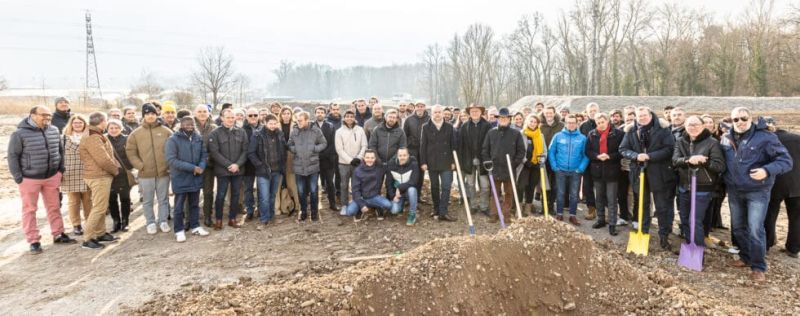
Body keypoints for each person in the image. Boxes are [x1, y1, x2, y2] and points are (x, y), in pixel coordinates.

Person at [721, 107, 793, 281]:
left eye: (743, 118)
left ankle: (758, 266)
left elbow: (785, 161)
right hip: (735, 191)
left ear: (750, 118)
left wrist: (767, 170)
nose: (740, 122)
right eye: (736, 119)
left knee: (755, 229)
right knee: (738, 228)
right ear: (732, 121)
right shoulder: (725, 138)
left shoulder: (766, 137)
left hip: (757, 191)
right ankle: (746, 257)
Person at [8, 106, 76, 254]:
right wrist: (18, 177)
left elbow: (60, 150)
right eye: (43, 115)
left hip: (52, 176)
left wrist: (60, 169)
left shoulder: (53, 130)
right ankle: (33, 241)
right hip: (29, 179)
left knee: (54, 206)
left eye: (49, 116)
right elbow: (13, 156)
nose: (47, 118)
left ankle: (58, 234)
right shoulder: (19, 134)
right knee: (30, 210)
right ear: (32, 115)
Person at [620, 106, 677, 251]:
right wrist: (635, 156)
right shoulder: (631, 130)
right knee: (642, 205)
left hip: (659, 173)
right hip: (639, 172)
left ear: (650, 115)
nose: (642, 118)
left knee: (661, 206)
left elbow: (669, 148)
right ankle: (643, 232)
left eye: (645, 115)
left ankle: (664, 236)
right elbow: (623, 149)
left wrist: (650, 156)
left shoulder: (663, 129)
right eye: (639, 116)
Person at [672, 115, 726, 248]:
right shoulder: (680, 141)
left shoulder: (712, 143)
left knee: (694, 221)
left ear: (702, 126)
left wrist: (705, 161)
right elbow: (674, 161)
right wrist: (688, 160)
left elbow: (719, 166)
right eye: (690, 125)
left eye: (696, 124)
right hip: (685, 187)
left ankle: (698, 250)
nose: (693, 127)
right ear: (685, 126)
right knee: (684, 219)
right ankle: (689, 245)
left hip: (703, 188)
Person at [127, 103, 174, 234]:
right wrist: (140, 166)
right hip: (145, 173)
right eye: (147, 114)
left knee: (163, 199)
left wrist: (168, 165)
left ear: (157, 115)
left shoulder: (166, 131)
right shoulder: (136, 134)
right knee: (147, 200)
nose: (150, 116)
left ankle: (163, 221)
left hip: (163, 172)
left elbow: (173, 150)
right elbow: (131, 152)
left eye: (153, 114)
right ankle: (150, 222)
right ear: (143, 116)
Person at [79, 112, 121, 249]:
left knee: (100, 206)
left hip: (99, 175)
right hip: (98, 176)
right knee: (99, 207)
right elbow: (103, 159)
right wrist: (115, 170)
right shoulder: (92, 137)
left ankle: (100, 233)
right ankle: (88, 238)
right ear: (102, 121)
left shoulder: (94, 133)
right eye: (106, 121)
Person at [166, 116, 211, 242]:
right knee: (179, 206)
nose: (189, 126)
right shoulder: (173, 139)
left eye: (191, 124)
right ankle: (179, 230)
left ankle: (195, 226)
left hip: (196, 176)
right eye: (186, 124)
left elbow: (204, 154)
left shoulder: (198, 138)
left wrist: (201, 166)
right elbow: (171, 160)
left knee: (194, 204)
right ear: (181, 125)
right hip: (180, 177)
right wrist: (193, 168)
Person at [763, 117, 800, 259]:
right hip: (797, 184)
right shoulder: (796, 138)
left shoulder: (766, 141)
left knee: (769, 214)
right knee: (796, 217)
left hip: (775, 183)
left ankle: (767, 244)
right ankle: (793, 248)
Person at [482, 108, 525, 223]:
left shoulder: (516, 134)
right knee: (494, 193)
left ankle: (506, 215)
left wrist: (514, 163)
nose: (503, 119)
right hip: (494, 168)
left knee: (509, 193)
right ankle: (494, 214)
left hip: (509, 168)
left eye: (505, 118)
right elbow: (485, 150)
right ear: (498, 119)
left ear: (509, 119)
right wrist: (487, 162)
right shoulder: (491, 133)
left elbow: (521, 151)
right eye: (501, 118)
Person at [208, 108, 249, 229]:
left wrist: (237, 165)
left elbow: (245, 151)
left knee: (236, 195)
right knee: (221, 195)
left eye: (232, 117)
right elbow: (214, 152)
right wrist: (228, 165)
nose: (230, 119)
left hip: (238, 169)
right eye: (228, 117)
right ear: (222, 118)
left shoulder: (241, 132)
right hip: (222, 171)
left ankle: (232, 219)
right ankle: (219, 220)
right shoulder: (215, 133)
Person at [585, 113, 624, 234]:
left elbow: (621, 151)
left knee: (612, 199)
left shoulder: (618, 134)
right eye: (598, 123)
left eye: (602, 122)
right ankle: (600, 219)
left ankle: (612, 223)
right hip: (597, 169)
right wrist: (597, 156)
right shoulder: (592, 134)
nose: (600, 125)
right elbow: (588, 151)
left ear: (607, 121)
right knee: (599, 197)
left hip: (612, 170)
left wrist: (609, 156)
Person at [548, 114, 589, 226]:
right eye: (568, 122)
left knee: (574, 194)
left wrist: (581, 168)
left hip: (575, 171)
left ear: (577, 124)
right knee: (560, 193)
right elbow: (551, 151)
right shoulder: (558, 136)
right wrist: (554, 166)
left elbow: (586, 155)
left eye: (573, 123)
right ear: (565, 123)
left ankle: (572, 215)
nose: (571, 125)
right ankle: (559, 213)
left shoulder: (582, 138)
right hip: (560, 170)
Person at [248, 114, 287, 228]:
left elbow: (283, 149)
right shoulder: (258, 135)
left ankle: (271, 217)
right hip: (263, 171)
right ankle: (264, 219)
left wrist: (282, 164)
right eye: (270, 123)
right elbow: (251, 152)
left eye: (275, 123)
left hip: (277, 170)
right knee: (264, 197)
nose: (273, 126)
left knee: (272, 196)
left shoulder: (280, 134)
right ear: (265, 123)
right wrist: (259, 165)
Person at [420, 105, 457, 222]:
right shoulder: (426, 127)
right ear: (431, 114)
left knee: (446, 186)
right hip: (432, 162)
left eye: (439, 112)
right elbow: (423, 146)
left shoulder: (449, 127)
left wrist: (453, 162)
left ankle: (443, 211)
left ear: (443, 113)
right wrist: (423, 162)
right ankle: (436, 209)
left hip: (446, 162)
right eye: (435, 112)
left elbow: (453, 145)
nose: (437, 114)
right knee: (434, 187)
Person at [288, 111, 327, 222]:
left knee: (314, 190)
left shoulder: (315, 130)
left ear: (307, 120)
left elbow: (324, 143)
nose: (298, 122)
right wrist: (295, 150)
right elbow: (289, 144)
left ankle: (314, 212)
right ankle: (303, 211)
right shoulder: (294, 131)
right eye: (297, 121)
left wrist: (314, 149)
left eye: (300, 120)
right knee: (301, 191)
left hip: (313, 166)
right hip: (299, 166)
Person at [60, 115, 92, 236]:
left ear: (84, 124)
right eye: (75, 123)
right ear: (71, 124)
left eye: (80, 122)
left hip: (87, 172)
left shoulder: (89, 137)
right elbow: (59, 156)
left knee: (88, 200)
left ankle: (90, 222)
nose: (78, 124)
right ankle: (76, 225)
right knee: (73, 202)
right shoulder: (63, 138)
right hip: (70, 173)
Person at [459, 104, 492, 215]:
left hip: (483, 160)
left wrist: (487, 158)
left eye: (476, 111)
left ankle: (484, 206)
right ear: (469, 113)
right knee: (471, 184)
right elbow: (461, 145)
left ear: (481, 112)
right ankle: (473, 205)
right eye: (472, 111)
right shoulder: (464, 126)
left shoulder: (487, 126)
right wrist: (462, 160)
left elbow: (489, 144)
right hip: (468, 160)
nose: (474, 113)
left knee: (485, 185)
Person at [369, 109, 407, 200]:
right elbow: (372, 145)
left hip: (393, 164)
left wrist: (393, 160)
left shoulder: (400, 132)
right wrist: (377, 160)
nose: (392, 119)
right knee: (376, 185)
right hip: (379, 163)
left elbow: (402, 148)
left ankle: (390, 204)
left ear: (396, 119)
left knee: (390, 186)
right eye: (390, 117)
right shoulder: (377, 130)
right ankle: (376, 205)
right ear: (385, 117)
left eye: (394, 117)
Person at [335, 110, 368, 215]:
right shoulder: (339, 131)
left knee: (357, 185)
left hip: (358, 163)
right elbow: (339, 149)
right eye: (347, 116)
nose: (349, 118)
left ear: (354, 118)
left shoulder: (360, 130)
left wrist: (359, 157)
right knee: (344, 185)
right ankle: (344, 205)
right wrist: (350, 160)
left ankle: (356, 203)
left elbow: (364, 145)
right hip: (344, 163)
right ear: (344, 118)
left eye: (351, 116)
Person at [345, 150, 393, 219]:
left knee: (388, 205)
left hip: (374, 197)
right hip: (361, 198)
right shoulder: (358, 171)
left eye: (372, 158)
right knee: (350, 212)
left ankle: (376, 208)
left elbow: (391, 167)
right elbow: (355, 190)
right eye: (367, 157)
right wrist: (361, 205)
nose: (370, 160)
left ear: (375, 159)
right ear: (363, 158)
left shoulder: (379, 168)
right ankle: (360, 209)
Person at [106, 119, 134, 233]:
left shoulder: (127, 139)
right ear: (107, 129)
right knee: (111, 200)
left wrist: (128, 167)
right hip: (109, 174)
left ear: (121, 128)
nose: (114, 130)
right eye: (111, 128)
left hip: (123, 173)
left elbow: (132, 154)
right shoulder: (104, 139)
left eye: (116, 127)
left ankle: (125, 221)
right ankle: (116, 222)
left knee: (125, 198)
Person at [193, 104, 218, 227]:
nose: (202, 113)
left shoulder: (214, 127)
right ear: (195, 113)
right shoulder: (190, 125)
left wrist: (208, 159)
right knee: (193, 192)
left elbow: (217, 147)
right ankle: (192, 218)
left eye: (204, 111)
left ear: (208, 113)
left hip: (209, 165)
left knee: (208, 192)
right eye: (199, 111)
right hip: (193, 166)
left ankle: (208, 216)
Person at [538, 105, 565, 213]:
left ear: (554, 113)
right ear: (543, 114)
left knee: (554, 184)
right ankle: (543, 206)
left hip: (557, 158)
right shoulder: (540, 126)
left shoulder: (561, 125)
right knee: (544, 183)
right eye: (546, 113)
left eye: (551, 113)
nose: (549, 115)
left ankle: (551, 206)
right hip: (543, 158)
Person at [519, 114, 545, 215]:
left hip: (536, 165)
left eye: (535, 122)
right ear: (527, 122)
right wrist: (525, 161)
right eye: (531, 121)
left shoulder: (540, 135)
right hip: (524, 165)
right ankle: (519, 207)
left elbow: (544, 151)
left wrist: (541, 160)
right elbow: (519, 150)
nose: (533, 124)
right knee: (521, 186)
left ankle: (528, 208)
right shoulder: (522, 134)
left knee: (531, 186)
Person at [313, 106, 338, 212]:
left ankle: (333, 204)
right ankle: (315, 205)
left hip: (328, 160)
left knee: (330, 183)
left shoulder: (330, 126)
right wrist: (317, 153)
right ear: (315, 114)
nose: (320, 114)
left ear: (325, 114)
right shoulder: (310, 126)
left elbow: (333, 143)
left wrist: (325, 154)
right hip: (314, 159)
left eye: (322, 112)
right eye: (318, 112)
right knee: (314, 184)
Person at [240, 108, 262, 221]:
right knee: (248, 189)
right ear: (246, 117)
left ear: (258, 116)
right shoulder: (241, 130)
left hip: (261, 164)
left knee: (261, 188)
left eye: (255, 115)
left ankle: (260, 209)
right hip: (247, 164)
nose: (253, 117)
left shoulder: (264, 128)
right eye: (250, 115)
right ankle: (249, 210)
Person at [388, 147, 420, 225]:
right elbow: (388, 183)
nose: (402, 157)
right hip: (398, 195)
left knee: (412, 189)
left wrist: (399, 187)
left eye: (404, 155)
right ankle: (401, 206)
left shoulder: (414, 164)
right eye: (400, 155)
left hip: (409, 193)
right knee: (394, 210)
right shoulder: (391, 165)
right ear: (397, 156)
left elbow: (413, 182)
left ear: (408, 155)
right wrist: (393, 196)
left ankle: (412, 214)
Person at [579, 103, 600, 220]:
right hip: (587, 160)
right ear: (587, 112)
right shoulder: (583, 126)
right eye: (590, 111)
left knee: (601, 187)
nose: (592, 112)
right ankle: (591, 208)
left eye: (594, 110)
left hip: (601, 161)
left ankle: (603, 209)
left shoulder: (603, 122)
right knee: (588, 186)